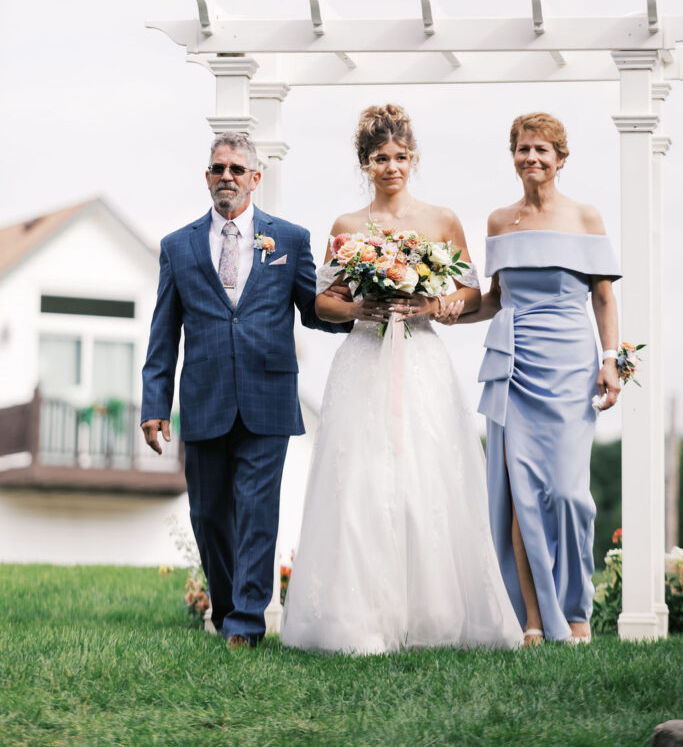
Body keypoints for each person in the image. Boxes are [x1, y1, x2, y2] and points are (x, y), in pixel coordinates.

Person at [279, 105, 523, 653]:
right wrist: (362, 306)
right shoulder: (347, 227)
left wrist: (433, 302)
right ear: (365, 163)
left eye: (401, 157)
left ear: (413, 159)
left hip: (420, 361)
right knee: (360, 480)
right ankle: (357, 621)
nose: (392, 166)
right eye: (380, 158)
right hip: (365, 359)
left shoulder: (441, 221)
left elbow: (474, 295)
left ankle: (433, 617)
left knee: (426, 476)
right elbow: (323, 304)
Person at [140, 132, 350, 648]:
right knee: (208, 513)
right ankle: (228, 607)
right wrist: (154, 405)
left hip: (269, 395)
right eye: (218, 169)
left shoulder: (292, 239)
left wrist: (357, 311)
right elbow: (163, 331)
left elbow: (313, 309)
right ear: (207, 178)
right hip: (204, 398)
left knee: (258, 510)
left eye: (237, 169)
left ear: (256, 178)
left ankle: (245, 626)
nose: (226, 177)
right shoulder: (178, 246)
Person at [447, 112, 621, 645]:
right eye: (524, 149)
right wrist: (441, 307)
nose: (533, 158)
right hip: (514, 361)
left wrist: (611, 359)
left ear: (561, 159)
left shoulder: (586, 217)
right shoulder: (499, 222)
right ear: (514, 156)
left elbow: (604, 297)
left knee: (568, 493)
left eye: (543, 150)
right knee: (521, 495)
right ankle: (532, 619)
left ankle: (575, 612)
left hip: (571, 362)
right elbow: (494, 299)